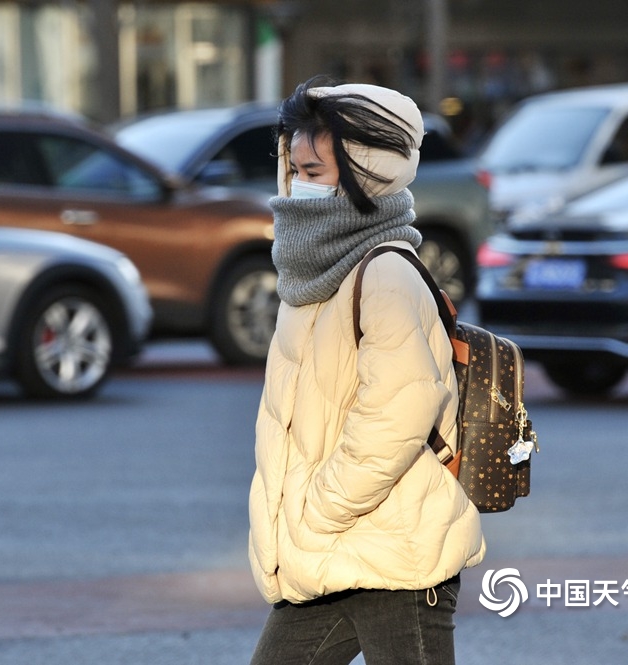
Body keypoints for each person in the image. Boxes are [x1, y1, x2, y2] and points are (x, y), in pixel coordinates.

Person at [247, 76, 486, 665]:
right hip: (332, 554)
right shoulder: (313, 275)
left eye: (314, 172)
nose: (298, 187)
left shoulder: (385, 274)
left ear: (367, 173)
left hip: (393, 553)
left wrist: (320, 510)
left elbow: (399, 413)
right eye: (295, 169)